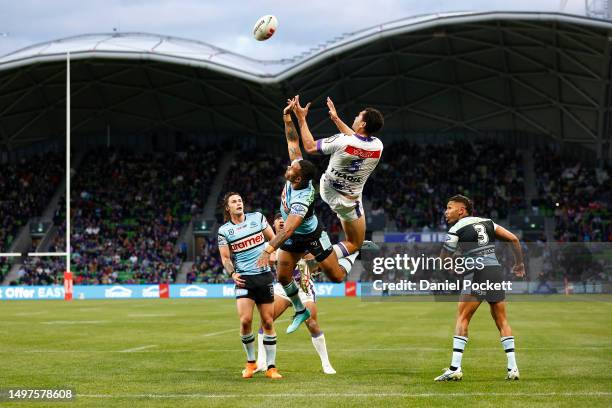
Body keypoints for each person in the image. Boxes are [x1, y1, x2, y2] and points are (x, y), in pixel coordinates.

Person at [256, 99, 356, 334]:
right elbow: (293, 141)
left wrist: (268, 250)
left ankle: (354, 252)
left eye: (292, 169)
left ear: (298, 179)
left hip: (311, 236)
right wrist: (287, 117)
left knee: (336, 277)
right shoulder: (297, 173)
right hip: (294, 238)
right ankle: (300, 309)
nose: (289, 168)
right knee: (282, 277)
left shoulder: (302, 199)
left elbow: (288, 230)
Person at [434, 195, 525, 381]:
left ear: (461, 210)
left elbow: (444, 259)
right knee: (502, 320)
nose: (446, 211)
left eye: (449, 207)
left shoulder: (456, 228)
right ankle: (513, 368)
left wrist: (452, 264)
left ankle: (454, 368)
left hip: (476, 274)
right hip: (495, 271)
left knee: (462, 318)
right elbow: (514, 239)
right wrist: (519, 264)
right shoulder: (488, 222)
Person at [291, 95, 384, 264]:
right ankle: (313, 260)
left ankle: (314, 259)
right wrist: (336, 119)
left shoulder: (342, 141)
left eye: (358, 116)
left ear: (362, 124)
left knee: (354, 240)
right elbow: (356, 139)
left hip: (328, 188)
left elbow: (310, 147)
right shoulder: (378, 146)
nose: (355, 118)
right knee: (355, 243)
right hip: (348, 201)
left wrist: (302, 119)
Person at [255, 213, 336, 374]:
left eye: (284, 222)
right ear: (273, 225)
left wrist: (308, 270)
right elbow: (266, 260)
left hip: (302, 286)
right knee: (266, 320)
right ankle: (261, 362)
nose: (281, 224)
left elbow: (312, 259)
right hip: (283, 287)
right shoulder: (270, 244)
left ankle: (326, 364)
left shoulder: (299, 238)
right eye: (278, 222)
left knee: (311, 323)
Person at [217, 192, 281, 379]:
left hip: (264, 277)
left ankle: (271, 367)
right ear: (228, 208)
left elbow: (273, 238)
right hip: (244, 279)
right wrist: (232, 273)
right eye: (234, 202)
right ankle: (251, 362)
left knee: (268, 321)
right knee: (245, 320)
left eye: (240, 200)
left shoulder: (258, 218)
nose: (239, 203)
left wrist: (273, 253)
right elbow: (225, 257)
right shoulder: (224, 231)